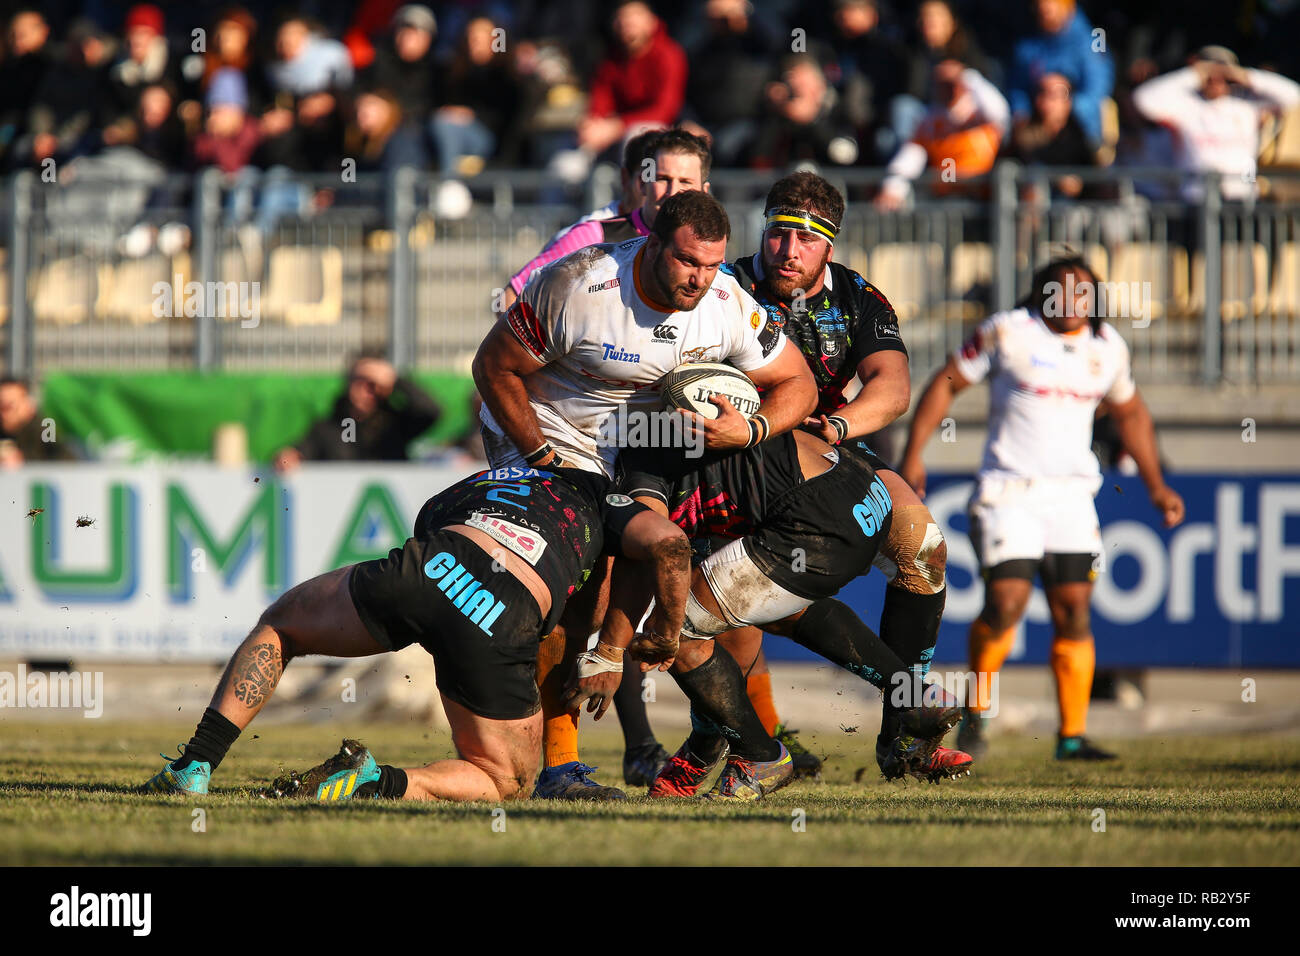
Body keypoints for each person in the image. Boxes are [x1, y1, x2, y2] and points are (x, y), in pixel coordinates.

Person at [472, 189, 817, 798]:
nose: (700, 280)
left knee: (685, 581)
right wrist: (540, 455)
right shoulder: (579, 285)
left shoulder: (728, 302)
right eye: (688, 262)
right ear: (653, 243)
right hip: (551, 431)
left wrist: (753, 426)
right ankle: (558, 765)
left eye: (712, 265)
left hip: (644, 445)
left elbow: (798, 383)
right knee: (580, 583)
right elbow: (493, 368)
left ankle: (745, 743)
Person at [144, 465, 691, 801]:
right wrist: (659, 635)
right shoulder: (601, 494)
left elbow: (432, 525)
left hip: (431, 567)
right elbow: (668, 546)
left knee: (281, 626)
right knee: (505, 781)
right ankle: (375, 782)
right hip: (502, 614)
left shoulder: (483, 480)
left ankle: (195, 765)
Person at [727, 171, 967, 780]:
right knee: (742, 615)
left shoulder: (858, 297)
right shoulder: (724, 285)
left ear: (828, 246)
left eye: (804, 241)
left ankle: (904, 739)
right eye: (778, 234)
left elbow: (894, 387)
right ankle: (744, 749)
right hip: (733, 452)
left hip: (826, 441)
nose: (787, 252)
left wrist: (835, 426)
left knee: (924, 551)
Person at [899, 255, 1186, 761]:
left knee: (1074, 610)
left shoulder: (1107, 348)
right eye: (1061, 291)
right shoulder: (1008, 332)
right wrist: (914, 453)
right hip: (1008, 493)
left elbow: (1132, 412)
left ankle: (1071, 737)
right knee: (1007, 603)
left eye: (1083, 292)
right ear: (1041, 294)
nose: (1073, 301)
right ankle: (979, 711)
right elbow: (947, 382)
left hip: (1073, 498)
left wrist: (1157, 485)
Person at [615, 427, 965, 798]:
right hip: (850, 480)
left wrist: (609, 649)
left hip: (813, 500)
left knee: (675, 628)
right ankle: (912, 701)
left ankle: (759, 754)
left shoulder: (642, 450)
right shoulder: (687, 427)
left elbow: (657, 548)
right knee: (770, 610)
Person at [501, 127, 710, 309]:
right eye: (663, 179)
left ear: (704, 191)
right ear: (642, 184)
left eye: (685, 182)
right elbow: (511, 297)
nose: (672, 192)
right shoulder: (595, 235)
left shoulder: (709, 248)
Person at [1132, 45, 1300, 201]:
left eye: (1223, 75)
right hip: (1195, 200)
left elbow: (1293, 96)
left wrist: (1245, 75)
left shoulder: (1248, 105)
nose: (1216, 80)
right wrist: (1193, 74)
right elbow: (1143, 99)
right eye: (1210, 75)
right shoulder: (1185, 105)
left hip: (1240, 198)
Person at [875, 59, 1008, 209]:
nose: (948, 89)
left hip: (982, 201)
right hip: (946, 200)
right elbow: (912, 155)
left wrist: (968, 76)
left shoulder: (981, 115)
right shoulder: (930, 121)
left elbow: (1000, 112)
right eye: (941, 84)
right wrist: (893, 188)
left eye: (951, 83)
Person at [273, 353, 441, 471]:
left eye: (373, 384)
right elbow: (297, 453)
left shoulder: (395, 424)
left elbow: (431, 411)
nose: (366, 390)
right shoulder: (327, 428)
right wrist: (287, 457)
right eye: (359, 380)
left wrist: (394, 380)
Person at [580, 1, 687, 158]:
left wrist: (618, 126)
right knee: (567, 160)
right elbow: (600, 99)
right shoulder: (610, 59)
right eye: (622, 17)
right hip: (611, 131)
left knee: (638, 141)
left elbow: (665, 110)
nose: (627, 22)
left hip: (653, 131)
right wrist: (592, 123)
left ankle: (640, 182)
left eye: (635, 16)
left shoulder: (669, 55)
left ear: (652, 22)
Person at [1007, 0, 1113, 148]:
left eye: (1051, 8)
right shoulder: (1027, 45)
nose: (1045, 13)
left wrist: (1066, 109)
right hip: (1037, 125)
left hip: (1079, 128)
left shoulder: (1092, 41)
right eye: (1041, 9)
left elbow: (1097, 88)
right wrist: (1021, 112)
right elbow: (1017, 86)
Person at [0, 376, 77, 466]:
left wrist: (23, 461)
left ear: (27, 404)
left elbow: (64, 461)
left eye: (8, 407)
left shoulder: (46, 428)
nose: (3, 414)